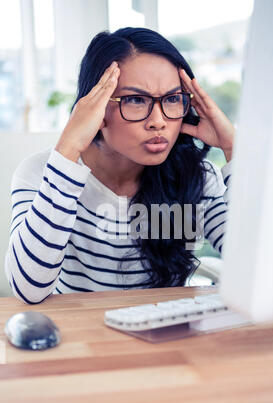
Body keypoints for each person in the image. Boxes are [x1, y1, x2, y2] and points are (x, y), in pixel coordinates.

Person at [5, 27, 235, 304]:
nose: (159, 121)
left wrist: (235, 150)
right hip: (81, 337)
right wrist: (68, 149)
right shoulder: (43, 172)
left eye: (173, 99)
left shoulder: (196, 176)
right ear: (95, 105)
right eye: (136, 100)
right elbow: (28, 288)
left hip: (169, 337)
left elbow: (261, 266)